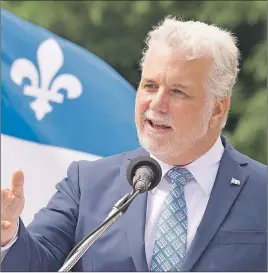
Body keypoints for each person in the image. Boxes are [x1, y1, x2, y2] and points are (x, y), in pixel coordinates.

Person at [1, 16, 267, 272]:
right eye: (150, 86)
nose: (157, 104)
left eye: (178, 91)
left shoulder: (261, 191)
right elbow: (37, 264)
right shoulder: (87, 184)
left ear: (218, 109)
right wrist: (8, 235)